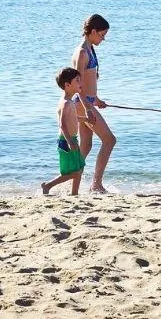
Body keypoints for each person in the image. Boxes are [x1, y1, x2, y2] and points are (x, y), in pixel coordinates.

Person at [72, 14, 116, 194]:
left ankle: (72, 182)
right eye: (102, 35)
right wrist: (89, 107)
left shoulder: (90, 49)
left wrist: (96, 100)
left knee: (86, 146)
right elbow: (77, 85)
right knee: (109, 140)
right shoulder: (82, 52)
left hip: (87, 103)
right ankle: (96, 185)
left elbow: (88, 81)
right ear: (93, 31)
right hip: (83, 105)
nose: (103, 39)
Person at [41, 67, 87, 196]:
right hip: (66, 141)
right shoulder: (65, 103)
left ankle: (74, 194)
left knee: (80, 168)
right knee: (73, 172)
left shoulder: (70, 101)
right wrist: (69, 142)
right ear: (67, 85)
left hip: (72, 139)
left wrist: (86, 119)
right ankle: (48, 185)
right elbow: (62, 124)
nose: (80, 83)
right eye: (77, 80)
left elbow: (74, 118)